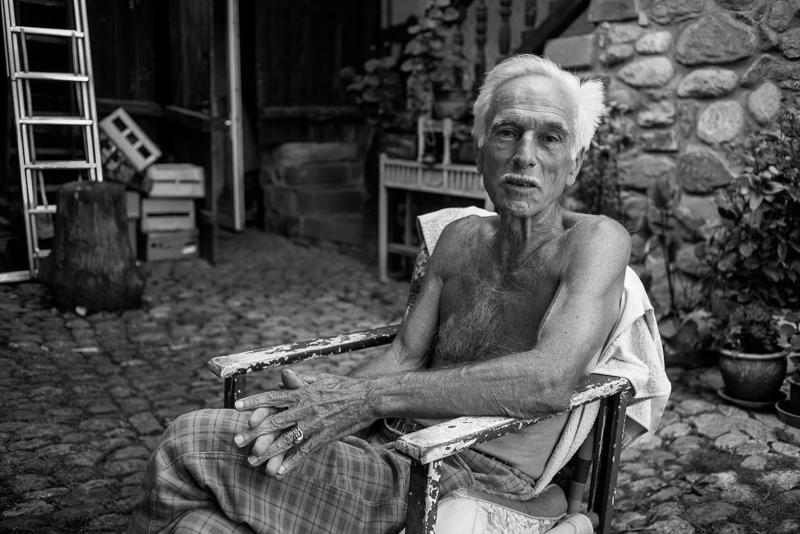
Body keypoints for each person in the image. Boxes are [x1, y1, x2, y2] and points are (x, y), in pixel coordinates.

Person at [127, 54, 629, 534]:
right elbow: (404, 355)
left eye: (550, 138)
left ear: (575, 163)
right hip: (390, 447)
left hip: (466, 476)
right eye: (507, 132)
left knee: (188, 443)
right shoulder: (460, 238)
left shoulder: (595, 242)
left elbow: (548, 379)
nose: (525, 155)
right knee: (198, 526)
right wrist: (320, 407)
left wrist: (363, 399)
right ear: (479, 151)